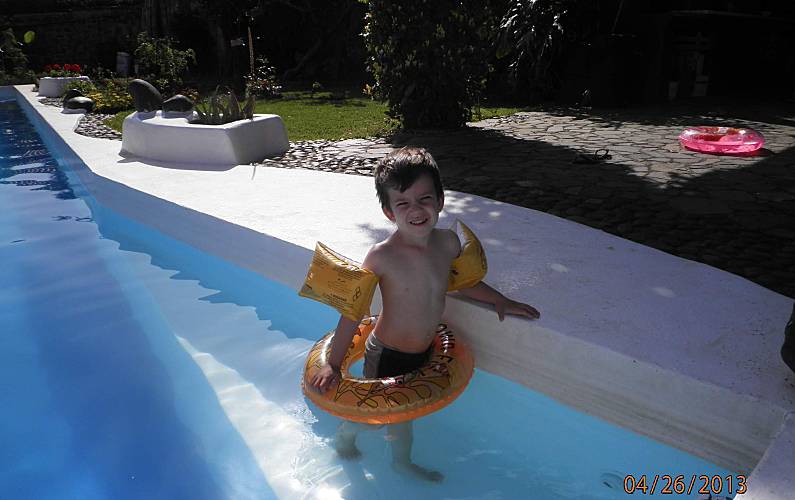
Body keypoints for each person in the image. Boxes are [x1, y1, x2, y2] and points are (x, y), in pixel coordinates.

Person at [309, 146, 540, 481]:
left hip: (425, 349)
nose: (415, 210)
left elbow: (462, 283)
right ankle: (358, 439)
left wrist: (498, 299)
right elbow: (352, 313)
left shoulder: (447, 243)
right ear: (389, 212)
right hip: (387, 353)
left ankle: (394, 456)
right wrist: (333, 362)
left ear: (441, 200)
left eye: (424, 199)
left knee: (404, 414)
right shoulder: (381, 257)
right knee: (392, 416)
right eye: (403, 203)